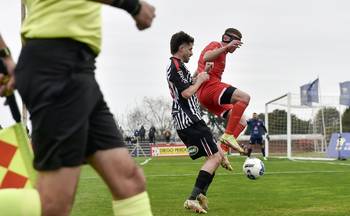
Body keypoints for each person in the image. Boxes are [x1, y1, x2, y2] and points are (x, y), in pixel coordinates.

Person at [0, 1, 155, 216]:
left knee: (129, 182)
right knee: (53, 205)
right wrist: (132, 6)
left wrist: (5, 57)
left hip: (77, 69)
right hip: (56, 67)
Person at [166, 31, 231, 214]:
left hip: (192, 119)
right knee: (215, 157)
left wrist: (202, 73)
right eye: (190, 48)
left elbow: (189, 83)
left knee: (216, 157)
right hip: (189, 120)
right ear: (181, 48)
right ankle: (192, 198)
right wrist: (202, 80)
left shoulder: (180, 67)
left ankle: (201, 194)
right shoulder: (174, 66)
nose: (192, 53)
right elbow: (186, 93)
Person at [195, 28, 249, 155]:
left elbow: (198, 70)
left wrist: (193, 81)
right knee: (244, 98)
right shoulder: (216, 45)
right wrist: (226, 47)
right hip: (210, 89)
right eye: (236, 44)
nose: (235, 48)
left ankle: (222, 151)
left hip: (206, 96)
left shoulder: (222, 53)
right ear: (227, 39)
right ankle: (228, 136)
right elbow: (206, 56)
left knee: (242, 121)